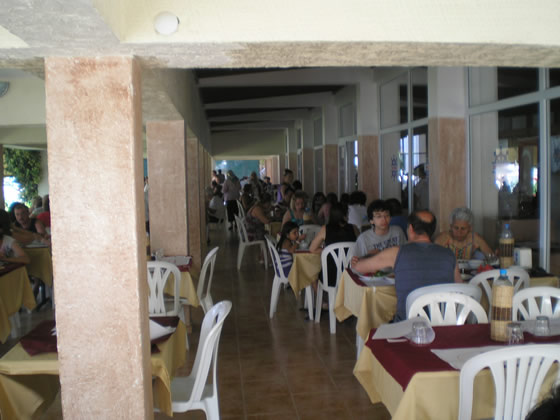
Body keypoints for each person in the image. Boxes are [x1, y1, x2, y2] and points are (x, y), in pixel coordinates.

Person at [352, 210, 461, 322]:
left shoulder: (396, 253)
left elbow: (359, 267)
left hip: (408, 324)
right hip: (444, 324)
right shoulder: (449, 254)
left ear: (411, 229)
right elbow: (460, 289)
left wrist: (358, 260)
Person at [310, 202, 358, 287]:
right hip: (350, 275)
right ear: (344, 215)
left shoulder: (325, 229)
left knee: (312, 275)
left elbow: (312, 249)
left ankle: (321, 296)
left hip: (330, 276)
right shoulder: (354, 228)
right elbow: (360, 247)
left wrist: (327, 251)